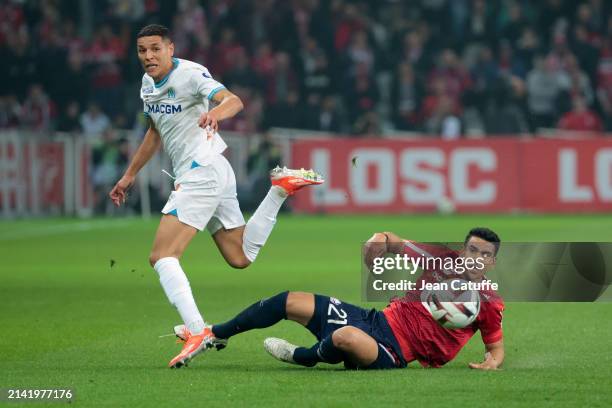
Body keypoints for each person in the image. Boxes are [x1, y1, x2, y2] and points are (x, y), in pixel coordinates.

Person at [108, 24, 323, 368]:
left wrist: (214, 113)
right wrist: (129, 175)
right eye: (141, 50)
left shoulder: (191, 74)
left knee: (162, 256)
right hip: (212, 171)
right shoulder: (148, 85)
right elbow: (154, 131)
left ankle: (197, 332)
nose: (148, 56)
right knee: (240, 257)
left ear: (170, 48)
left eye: (154, 49)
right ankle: (280, 190)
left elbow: (233, 101)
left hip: (201, 171)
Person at [172, 228, 505, 370]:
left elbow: (495, 346)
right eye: (472, 249)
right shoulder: (440, 261)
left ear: (491, 262)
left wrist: (492, 361)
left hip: (395, 352)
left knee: (345, 337)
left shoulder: (488, 302)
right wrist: (376, 242)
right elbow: (391, 240)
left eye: (484, 254)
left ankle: (303, 356)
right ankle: (216, 333)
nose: (476, 257)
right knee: (288, 300)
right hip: (375, 320)